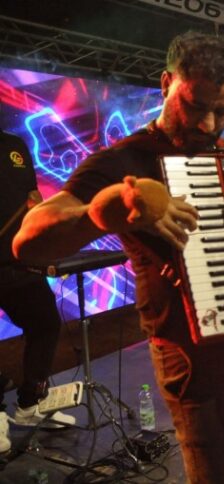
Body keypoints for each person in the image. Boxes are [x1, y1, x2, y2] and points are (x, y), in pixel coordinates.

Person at [13, 31, 224, 483]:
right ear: (166, 84)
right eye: (195, 105)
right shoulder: (124, 161)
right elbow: (28, 242)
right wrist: (106, 210)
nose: (207, 124)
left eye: (223, 110)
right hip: (194, 361)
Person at [0, 128, 78, 455]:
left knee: (45, 322)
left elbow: (32, 197)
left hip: (18, 261)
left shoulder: (14, 144)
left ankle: (30, 403)